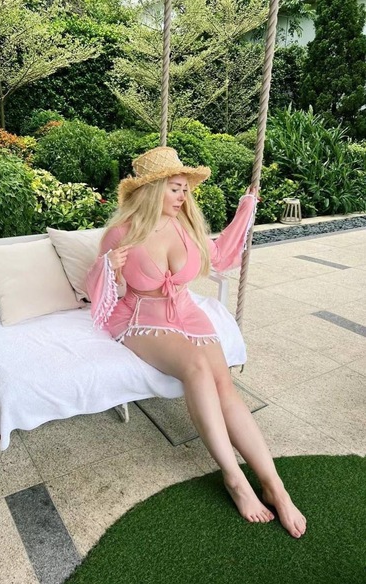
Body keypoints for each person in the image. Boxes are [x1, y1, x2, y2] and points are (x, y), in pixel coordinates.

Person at [86, 146, 306, 538]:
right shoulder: (121, 233)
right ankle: (235, 479)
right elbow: (104, 293)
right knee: (197, 369)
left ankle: (274, 484)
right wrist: (110, 268)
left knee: (225, 385)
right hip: (140, 315)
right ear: (153, 190)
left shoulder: (185, 225)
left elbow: (220, 255)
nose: (183, 196)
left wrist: (246, 209)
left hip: (185, 310)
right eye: (175, 189)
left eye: (185, 189)